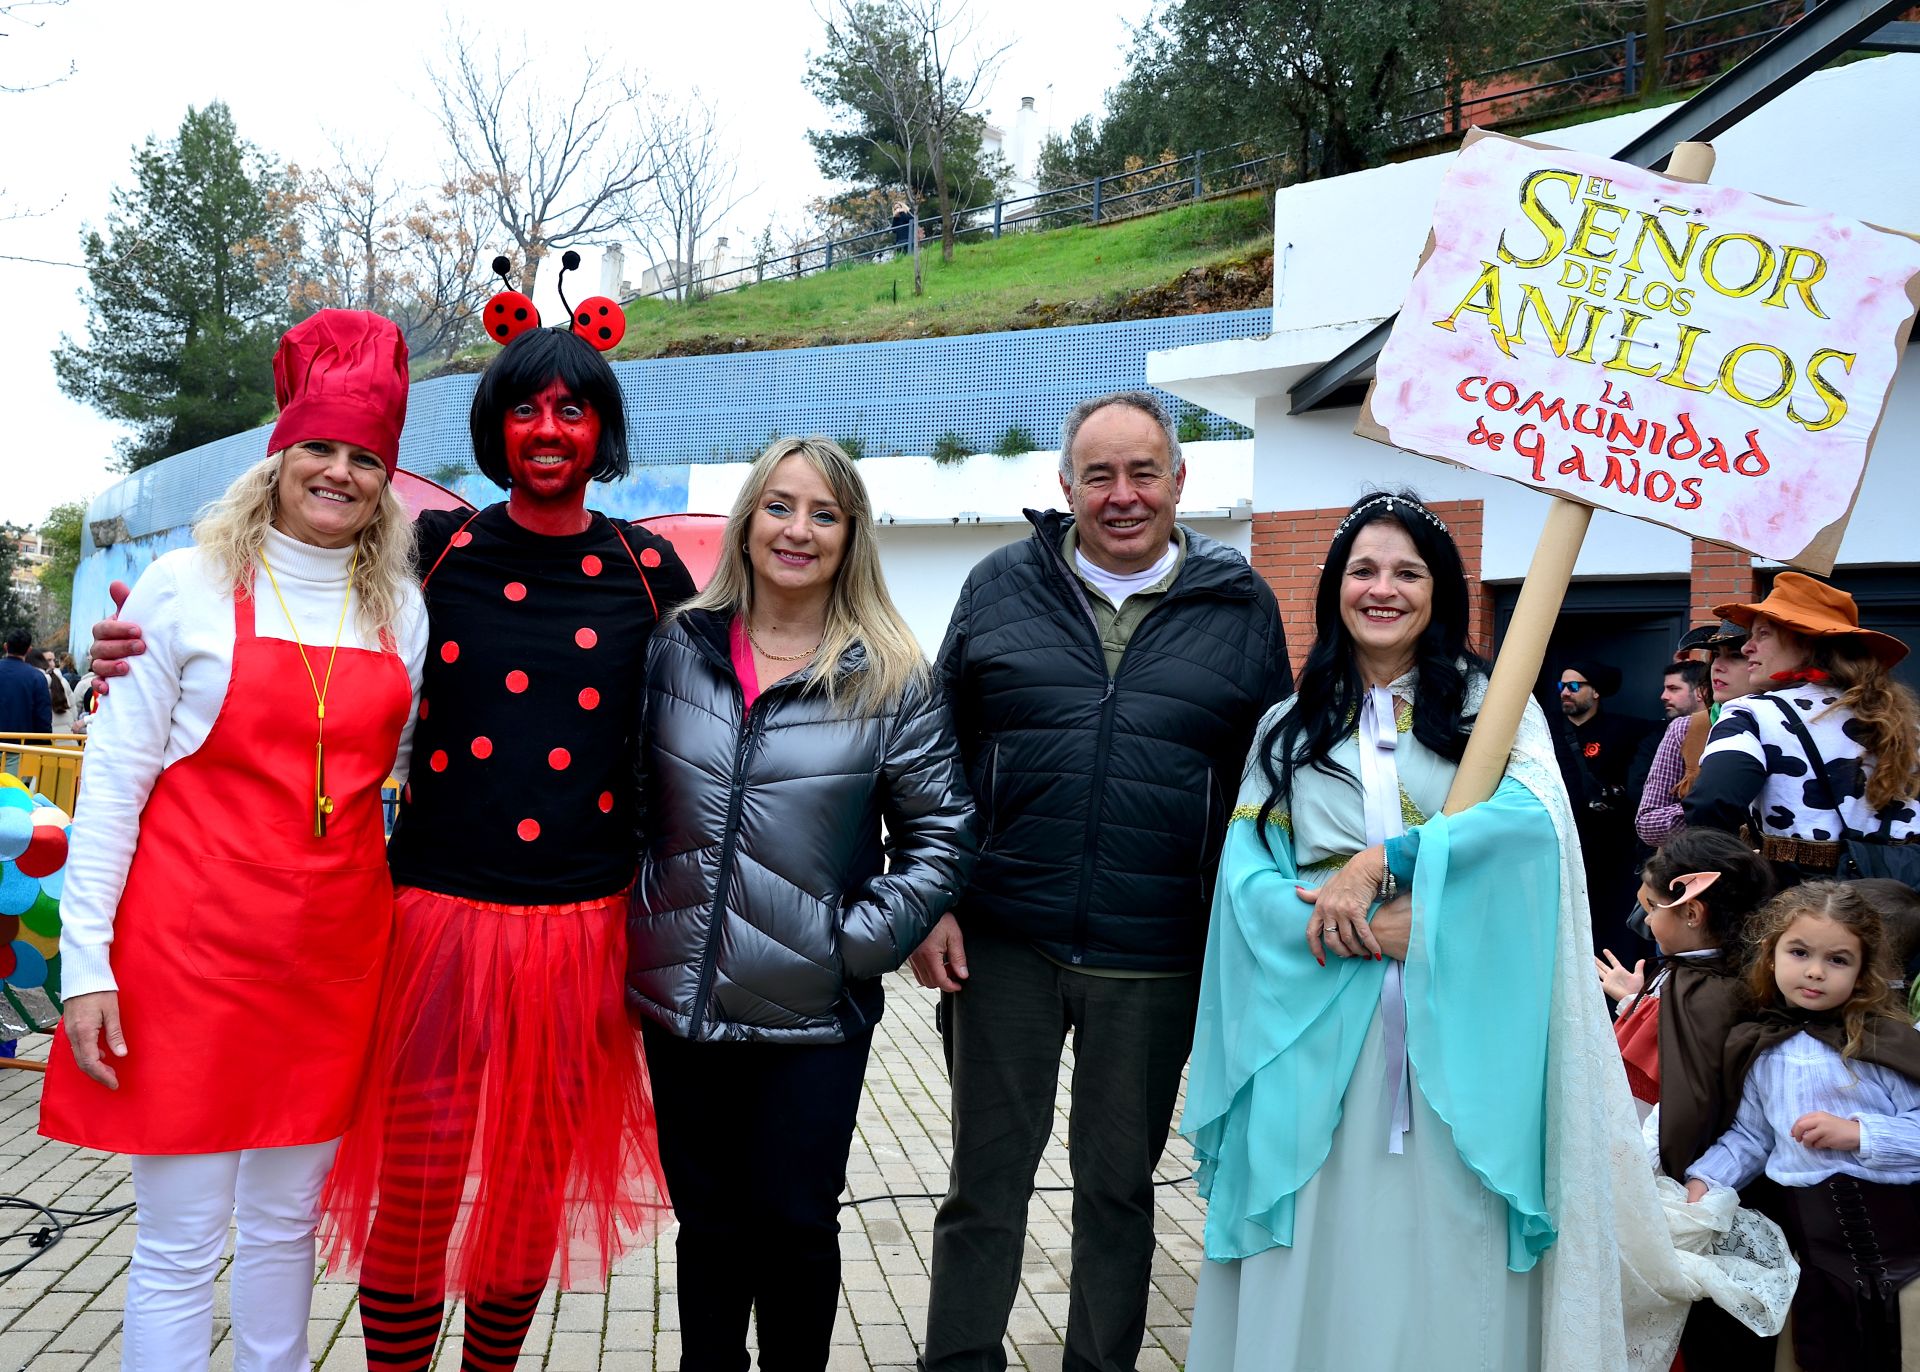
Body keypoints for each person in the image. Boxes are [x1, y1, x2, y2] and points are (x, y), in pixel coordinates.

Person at [89, 316, 695, 1370]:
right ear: (492, 427)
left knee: (525, 1193)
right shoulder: (432, 557)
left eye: (571, 410)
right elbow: (309, 627)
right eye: (524, 408)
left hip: (583, 932)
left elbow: (729, 704)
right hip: (429, 930)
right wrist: (127, 657)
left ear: (603, 430)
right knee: (412, 1189)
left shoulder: (650, 573)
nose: (548, 430)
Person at [1182, 489, 1680, 1369]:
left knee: (1448, 1228)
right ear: (1334, 586)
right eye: (1363, 570)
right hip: (1317, 1021)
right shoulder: (1287, 727)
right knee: (1322, 1232)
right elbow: (1246, 875)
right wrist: (1361, 930)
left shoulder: (1498, 711)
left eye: (1407, 572)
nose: (1384, 589)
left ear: (1440, 591)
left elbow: (1530, 831)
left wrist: (1391, 863)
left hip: (1460, 1027)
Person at [37, 310, 429, 1372]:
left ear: (385, 482)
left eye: (364, 457)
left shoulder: (399, 605)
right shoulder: (183, 589)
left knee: (285, 1225)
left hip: (331, 954)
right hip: (185, 953)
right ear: (277, 456)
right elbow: (113, 789)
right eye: (320, 448)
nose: (339, 473)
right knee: (178, 1238)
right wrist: (86, 967)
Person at [914, 391, 1289, 1372]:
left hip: (1156, 953)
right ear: (1066, 484)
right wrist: (934, 898)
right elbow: (935, 754)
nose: (1123, 496)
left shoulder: (1239, 600)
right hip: (1003, 941)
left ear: (1179, 480)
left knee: (1118, 1189)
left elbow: (1272, 778)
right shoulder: (999, 585)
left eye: (1143, 472)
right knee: (983, 1182)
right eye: (1099, 475)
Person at [627, 436, 974, 1368]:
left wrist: (848, 945)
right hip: (682, 1004)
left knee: (792, 1225)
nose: (799, 529)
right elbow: (626, 806)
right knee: (707, 1229)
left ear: (850, 536)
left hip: (813, 1014)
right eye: (780, 506)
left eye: (824, 513)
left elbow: (942, 837)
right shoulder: (673, 649)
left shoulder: (892, 675)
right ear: (747, 525)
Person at [1686, 881, 1920, 1371]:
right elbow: (1752, 1137)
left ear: (1861, 973)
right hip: (1818, 1268)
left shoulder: (1884, 1045)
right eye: (1799, 952)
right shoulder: (1761, 1047)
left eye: (1838, 960)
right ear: (1772, 957)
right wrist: (1706, 1180)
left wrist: (1860, 1134)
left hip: (1908, 1261)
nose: (1815, 971)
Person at [1597, 828, 1780, 1369]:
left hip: (1667, 1187)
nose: (1646, 923)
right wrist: (1637, 1002)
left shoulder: (1702, 992)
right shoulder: (1709, 980)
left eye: (1651, 908)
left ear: (1692, 911)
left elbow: (1667, 1104)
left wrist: (1622, 1175)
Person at [1683, 573, 1920, 884]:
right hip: (1902, 904)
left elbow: (1710, 804)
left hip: (1804, 908)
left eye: (1762, 634)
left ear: (1806, 641)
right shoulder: (1904, 721)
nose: (1749, 647)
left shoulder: (1753, 713)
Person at [1561, 658, 1656, 954]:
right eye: (1561, 685)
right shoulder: (1546, 728)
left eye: (1574, 686)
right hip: (1562, 843)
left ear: (1595, 692)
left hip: (1611, 849)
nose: (1565, 691)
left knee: (1609, 923)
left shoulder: (1625, 729)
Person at [1635, 622, 1753, 848]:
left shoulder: (1786, 723)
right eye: (1716, 655)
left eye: (1736, 655)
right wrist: (1708, 809)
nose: (1718, 665)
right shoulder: (1688, 728)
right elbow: (1647, 823)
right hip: (1706, 869)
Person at [0, 627, 51, 771]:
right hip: (18, 749)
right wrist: (45, 746)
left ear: (6, 646)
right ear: (29, 650)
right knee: (12, 790)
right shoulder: (36, 677)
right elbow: (43, 717)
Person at [41, 649, 74, 735]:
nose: (52, 663)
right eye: (48, 660)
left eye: (53, 660)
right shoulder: (63, 681)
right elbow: (74, 707)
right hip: (67, 736)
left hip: (48, 738)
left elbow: (73, 706)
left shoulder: (63, 681)